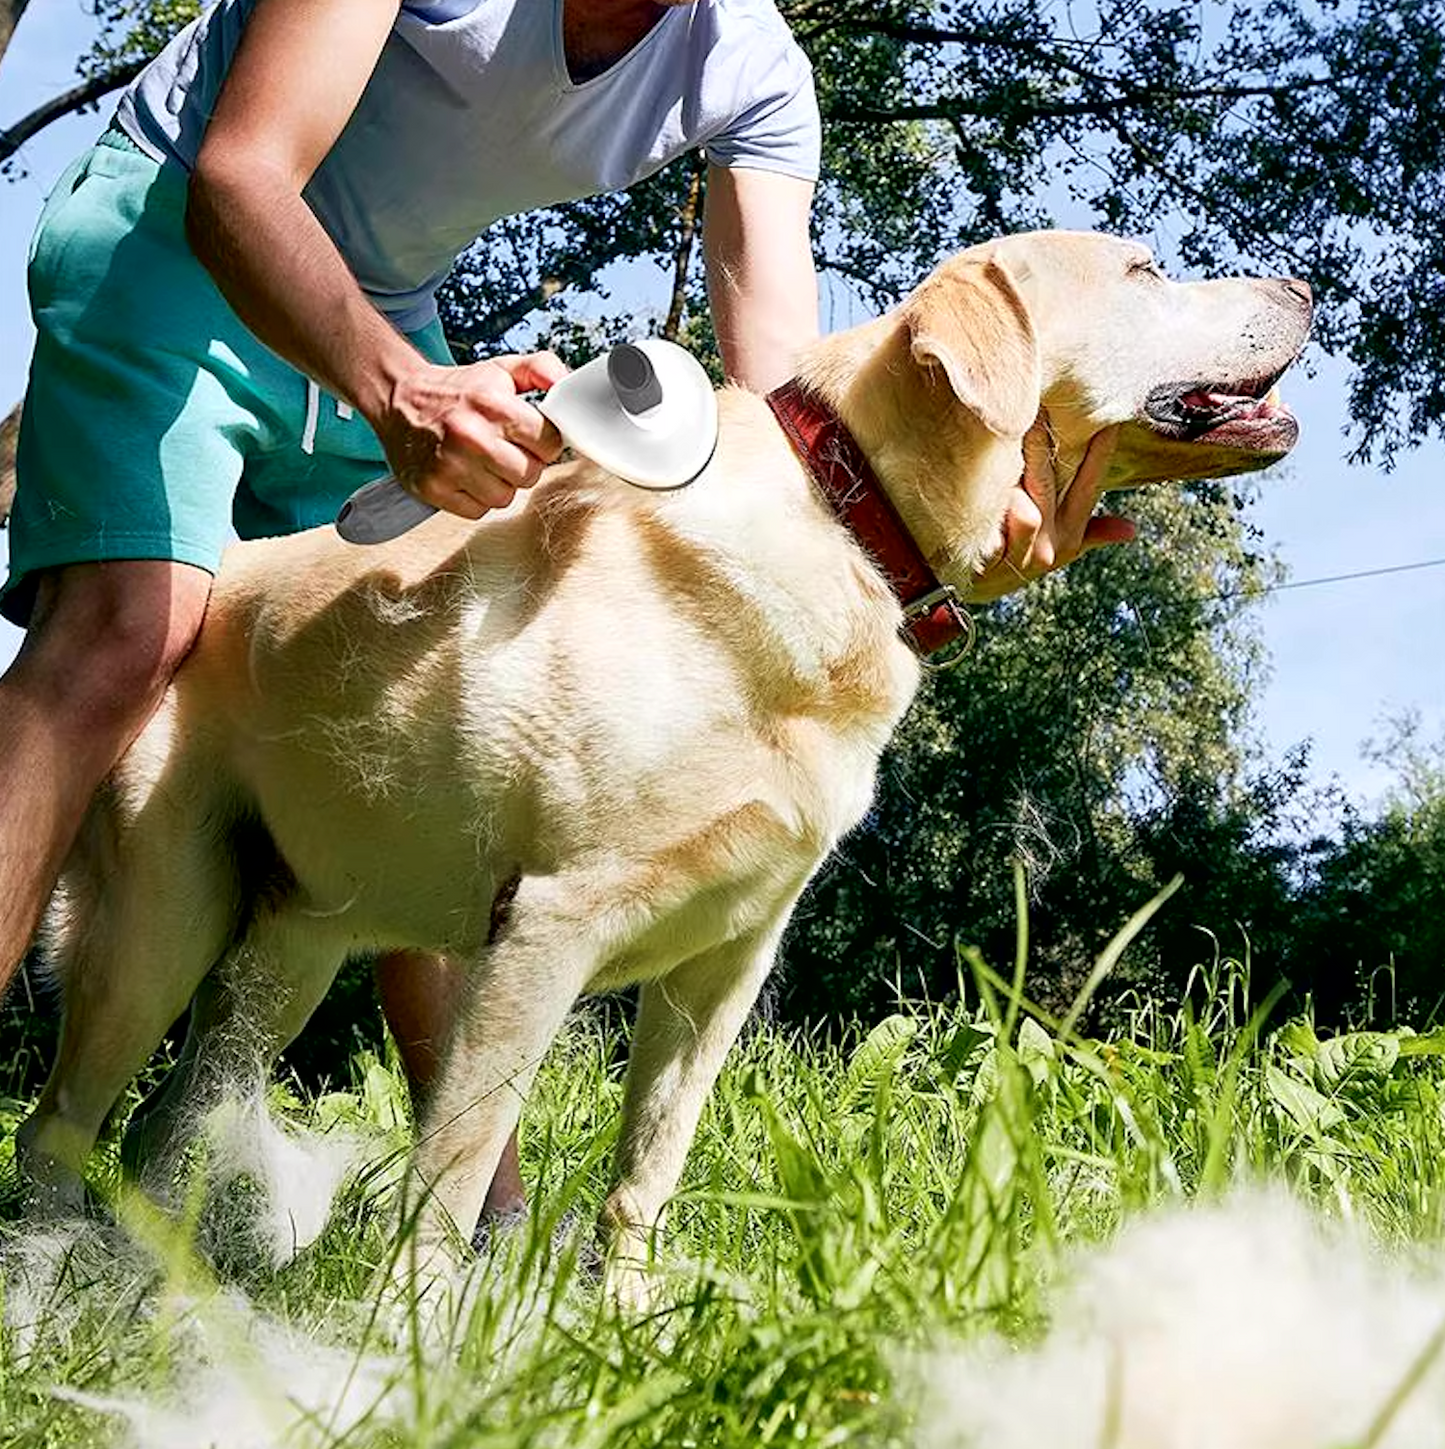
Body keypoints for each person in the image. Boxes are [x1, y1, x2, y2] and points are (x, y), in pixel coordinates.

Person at [0, 0, 1128, 1221]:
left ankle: (488, 1243)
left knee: (435, 686)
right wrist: (400, 389)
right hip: (177, 232)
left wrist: (953, 543)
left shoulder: (750, 70)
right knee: (129, 637)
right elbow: (241, 173)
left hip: (384, 296)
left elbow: (792, 435)